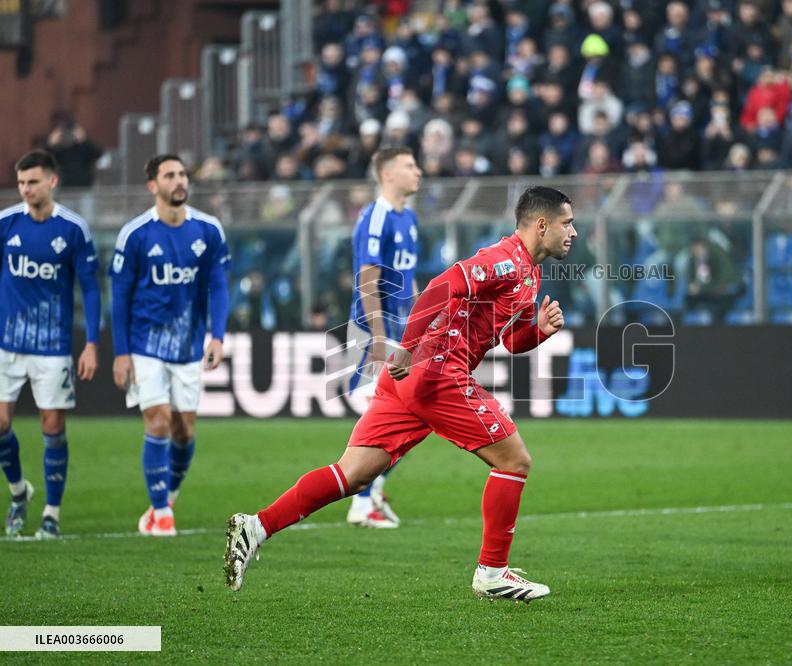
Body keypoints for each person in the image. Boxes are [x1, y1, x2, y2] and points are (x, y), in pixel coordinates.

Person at [224, 186, 577, 601]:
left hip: (413, 379)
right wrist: (407, 347)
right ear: (542, 225)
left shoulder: (530, 273)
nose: (573, 232)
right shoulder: (503, 260)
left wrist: (538, 331)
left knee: (353, 473)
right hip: (437, 372)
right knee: (514, 461)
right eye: (567, 223)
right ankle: (492, 572)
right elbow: (439, 288)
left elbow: (509, 340)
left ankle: (256, 525)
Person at [109, 154, 230, 537]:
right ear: (153, 185)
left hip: (188, 346)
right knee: (158, 421)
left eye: (181, 175)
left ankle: (167, 496)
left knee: (185, 432)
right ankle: (162, 513)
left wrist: (218, 336)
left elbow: (219, 286)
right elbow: (119, 295)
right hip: (145, 344)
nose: (179, 181)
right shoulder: (136, 234)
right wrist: (121, 351)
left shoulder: (208, 230)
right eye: (169, 175)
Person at [0, 150, 101, 538]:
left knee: (53, 425)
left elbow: (90, 288)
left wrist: (91, 343)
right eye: (22, 182)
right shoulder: (7, 223)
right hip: (7, 342)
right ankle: (18, 492)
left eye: (34, 182)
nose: (26, 189)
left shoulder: (73, 229)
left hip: (52, 346)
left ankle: (52, 514)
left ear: (52, 182)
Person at [344, 145, 422, 529]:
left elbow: (409, 279)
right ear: (387, 174)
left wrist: (424, 322)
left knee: (414, 416)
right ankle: (362, 500)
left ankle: (370, 493)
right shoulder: (376, 218)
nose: (418, 171)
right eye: (410, 166)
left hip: (402, 333)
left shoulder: (408, 218)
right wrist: (378, 338)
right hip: (376, 333)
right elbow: (367, 280)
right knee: (389, 418)